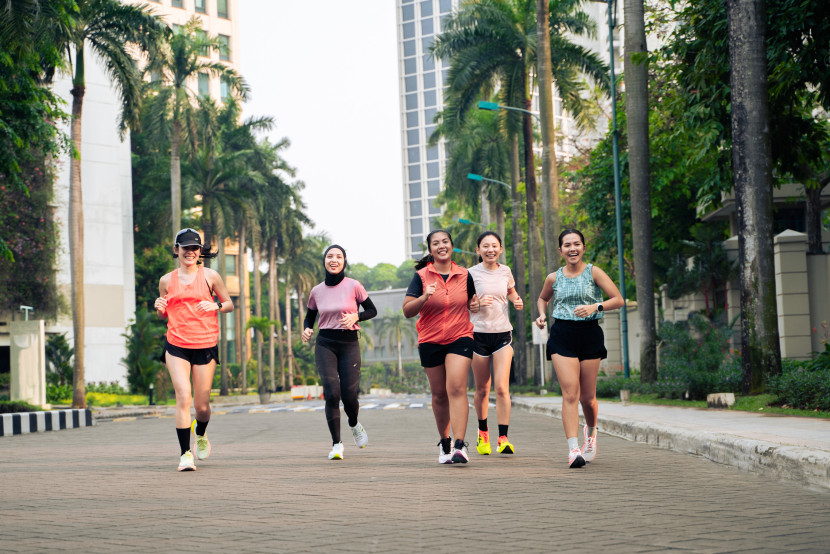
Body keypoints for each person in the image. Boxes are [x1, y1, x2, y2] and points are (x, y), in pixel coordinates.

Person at [535, 229, 623, 468]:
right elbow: (543, 298)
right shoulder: (554, 278)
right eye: (567, 245)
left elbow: (618, 299)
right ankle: (573, 449)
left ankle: (591, 434)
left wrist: (596, 307)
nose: (572, 249)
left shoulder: (593, 272)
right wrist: (542, 315)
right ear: (560, 250)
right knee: (570, 393)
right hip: (562, 334)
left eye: (576, 244)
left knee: (588, 397)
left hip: (589, 334)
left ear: (583, 248)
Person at [154, 228, 234, 472]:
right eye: (185, 247)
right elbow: (164, 312)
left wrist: (215, 305)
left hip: (205, 344)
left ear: (201, 252)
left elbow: (229, 304)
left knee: (201, 405)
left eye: (195, 248)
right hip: (176, 344)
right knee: (183, 397)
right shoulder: (166, 280)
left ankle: (200, 433)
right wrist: (159, 307)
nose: (190, 252)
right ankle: (185, 454)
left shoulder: (210, 276)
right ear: (176, 249)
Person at [403, 230, 480, 464]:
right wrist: (424, 297)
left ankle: (459, 445)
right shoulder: (421, 277)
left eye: (445, 242)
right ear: (430, 250)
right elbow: (407, 310)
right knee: (438, 395)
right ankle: (444, 441)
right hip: (430, 339)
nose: (441, 246)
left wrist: (475, 305)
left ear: (452, 246)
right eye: (436, 243)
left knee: (456, 387)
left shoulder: (465, 275)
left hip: (460, 336)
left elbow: (472, 302)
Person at [302, 245, 377, 460]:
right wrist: (307, 328)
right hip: (325, 343)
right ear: (324, 260)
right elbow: (310, 316)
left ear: (344, 261)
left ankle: (353, 423)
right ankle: (336, 444)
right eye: (330, 256)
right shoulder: (317, 291)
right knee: (332, 392)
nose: (334, 260)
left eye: (338, 257)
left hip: (349, 343)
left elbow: (372, 310)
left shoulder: (354, 286)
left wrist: (357, 317)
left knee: (349, 396)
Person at [468, 231, 523, 456]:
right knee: (482, 389)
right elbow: (464, 303)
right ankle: (483, 434)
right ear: (478, 250)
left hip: (502, 334)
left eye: (494, 246)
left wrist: (516, 299)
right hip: (478, 335)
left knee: (502, 387)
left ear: (500, 249)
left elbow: (510, 291)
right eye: (485, 246)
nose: (490, 249)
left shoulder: (506, 271)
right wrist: (476, 303)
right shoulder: (470, 274)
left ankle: (503, 438)